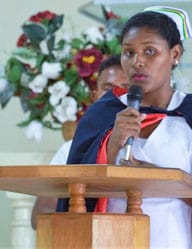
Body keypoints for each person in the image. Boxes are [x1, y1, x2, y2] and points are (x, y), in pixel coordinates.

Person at [57, 6, 192, 249]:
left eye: (149, 51)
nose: (138, 62)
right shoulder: (104, 114)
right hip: (110, 241)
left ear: (175, 54)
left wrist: (159, 178)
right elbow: (76, 192)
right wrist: (111, 144)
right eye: (129, 53)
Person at [31, 54, 129, 229]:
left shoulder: (142, 147)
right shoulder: (70, 149)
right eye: (108, 90)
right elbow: (41, 214)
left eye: (125, 89)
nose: (117, 98)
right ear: (94, 96)